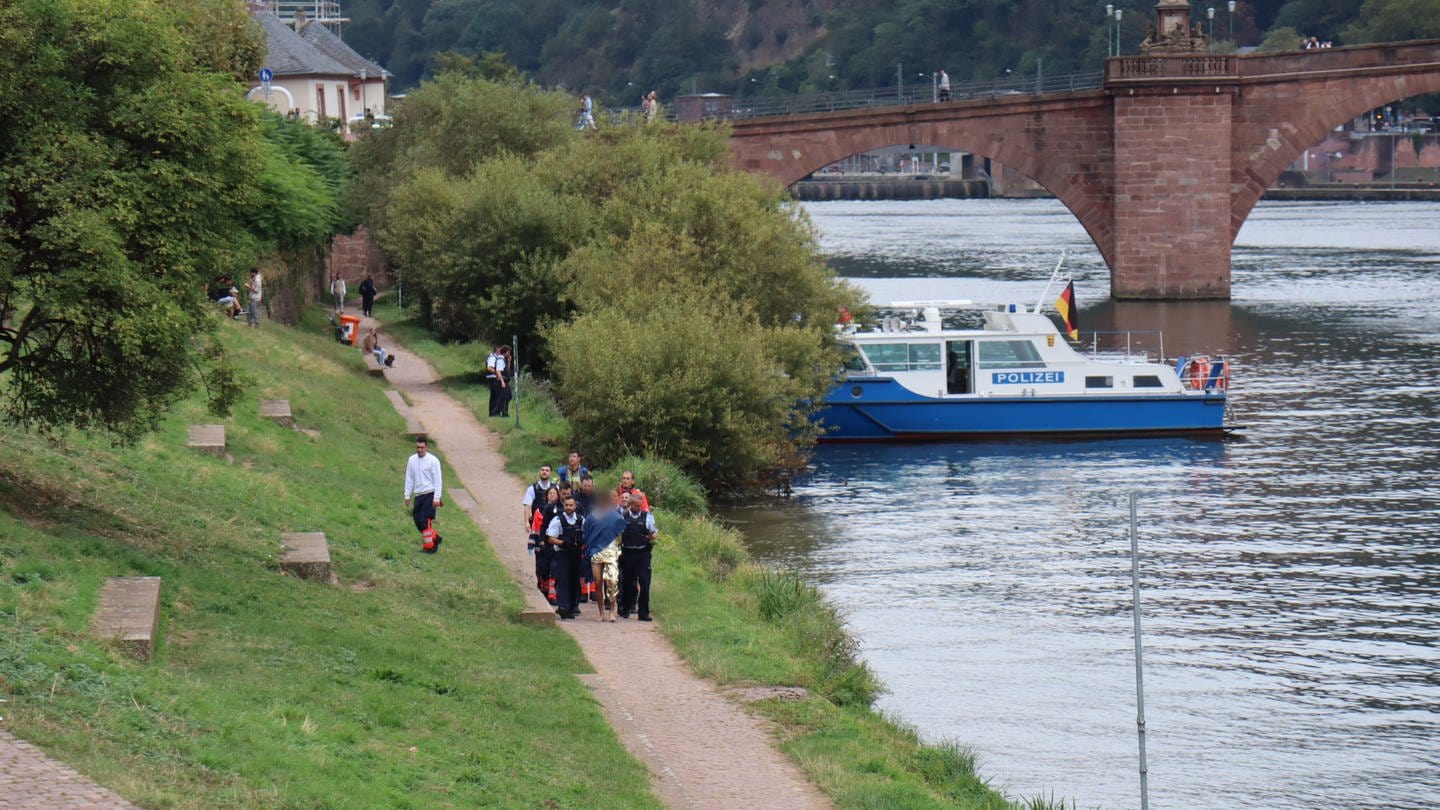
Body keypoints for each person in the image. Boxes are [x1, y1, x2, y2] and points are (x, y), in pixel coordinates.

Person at [617, 492, 658, 621]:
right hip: (628, 553)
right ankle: (625, 608)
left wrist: (649, 537)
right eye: (635, 505)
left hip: (643, 554)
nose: (638, 508)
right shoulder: (622, 517)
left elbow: (654, 533)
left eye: (640, 506)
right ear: (630, 505)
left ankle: (643, 613)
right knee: (628, 583)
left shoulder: (648, 517)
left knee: (645, 583)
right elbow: (617, 534)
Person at [583, 492, 624, 622]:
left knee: (612, 581)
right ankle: (601, 612)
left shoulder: (616, 517)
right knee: (598, 582)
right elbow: (587, 533)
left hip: (611, 551)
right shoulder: (591, 517)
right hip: (596, 551)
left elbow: (620, 535)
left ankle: (612, 609)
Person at [546, 496, 586, 619]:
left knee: (574, 581)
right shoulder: (557, 520)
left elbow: (586, 534)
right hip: (562, 554)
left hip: (576, 554)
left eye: (571, 505)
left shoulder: (581, 520)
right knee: (563, 580)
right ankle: (563, 607)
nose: (569, 508)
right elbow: (550, 538)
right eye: (567, 505)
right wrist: (563, 543)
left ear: (575, 506)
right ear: (564, 506)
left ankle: (574, 606)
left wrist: (581, 543)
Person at [403, 437, 444, 552]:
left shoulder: (433, 461)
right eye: (417, 447)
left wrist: (436, 498)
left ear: (426, 447)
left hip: (430, 494)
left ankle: (429, 547)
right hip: (418, 494)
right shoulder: (412, 460)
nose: (419, 450)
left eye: (422, 447)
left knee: (425, 520)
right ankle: (435, 537)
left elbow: (438, 480)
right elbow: (409, 478)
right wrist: (407, 495)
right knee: (417, 520)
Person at [529, 486, 561, 604]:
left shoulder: (560, 509)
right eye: (550, 493)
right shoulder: (540, 510)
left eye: (554, 493)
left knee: (554, 568)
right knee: (542, 568)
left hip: (555, 544)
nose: (552, 495)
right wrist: (534, 542)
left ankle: (552, 593)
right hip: (542, 543)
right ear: (546, 495)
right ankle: (543, 587)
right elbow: (536, 527)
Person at [485, 345, 510, 417]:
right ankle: (493, 412)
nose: (501, 352)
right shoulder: (493, 357)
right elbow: (489, 368)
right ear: (497, 350)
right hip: (492, 378)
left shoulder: (497, 358)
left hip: (494, 378)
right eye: (500, 350)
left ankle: (494, 412)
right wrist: (497, 372)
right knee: (495, 396)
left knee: (496, 396)